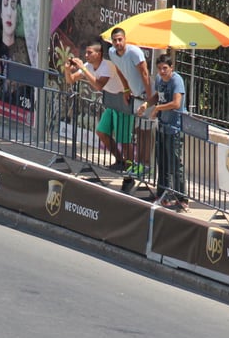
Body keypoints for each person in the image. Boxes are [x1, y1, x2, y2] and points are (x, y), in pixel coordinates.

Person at [63, 40, 132, 171]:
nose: (86, 55)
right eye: (86, 53)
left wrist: (83, 68)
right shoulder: (89, 66)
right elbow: (70, 80)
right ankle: (120, 161)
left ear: (99, 54)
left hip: (123, 101)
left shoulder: (108, 66)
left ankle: (130, 169)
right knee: (101, 131)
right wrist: (67, 70)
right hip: (112, 102)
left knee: (123, 139)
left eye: (90, 53)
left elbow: (99, 86)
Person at [136, 55, 189, 212]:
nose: (162, 71)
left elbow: (176, 103)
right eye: (159, 69)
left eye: (165, 68)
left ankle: (181, 198)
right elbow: (157, 97)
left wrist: (158, 108)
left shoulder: (176, 81)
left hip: (174, 128)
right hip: (162, 126)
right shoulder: (159, 79)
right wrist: (146, 104)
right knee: (162, 161)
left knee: (174, 163)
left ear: (171, 67)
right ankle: (163, 193)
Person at [108, 27, 153, 193]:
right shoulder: (112, 53)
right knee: (138, 131)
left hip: (145, 95)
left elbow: (145, 74)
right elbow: (119, 70)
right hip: (135, 96)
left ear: (125, 39)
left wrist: (149, 100)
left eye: (120, 39)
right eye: (115, 40)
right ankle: (139, 166)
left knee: (146, 131)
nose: (118, 43)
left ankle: (146, 165)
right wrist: (126, 90)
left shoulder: (135, 53)